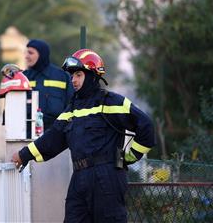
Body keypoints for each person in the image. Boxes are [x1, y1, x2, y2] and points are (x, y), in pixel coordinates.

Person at [12, 49, 155, 222]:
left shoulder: (112, 102)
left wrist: (126, 158)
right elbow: (53, 137)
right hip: (79, 178)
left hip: (107, 178)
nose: (73, 80)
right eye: (72, 76)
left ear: (93, 75)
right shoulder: (72, 108)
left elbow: (146, 126)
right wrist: (23, 155)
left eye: (78, 75)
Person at [24, 39, 74, 130]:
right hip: (28, 133)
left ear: (42, 54)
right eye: (26, 53)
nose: (26, 56)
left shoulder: (62, 76)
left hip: (56, 133)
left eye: (30, 53)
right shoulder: (23, 77)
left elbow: (72, 104)